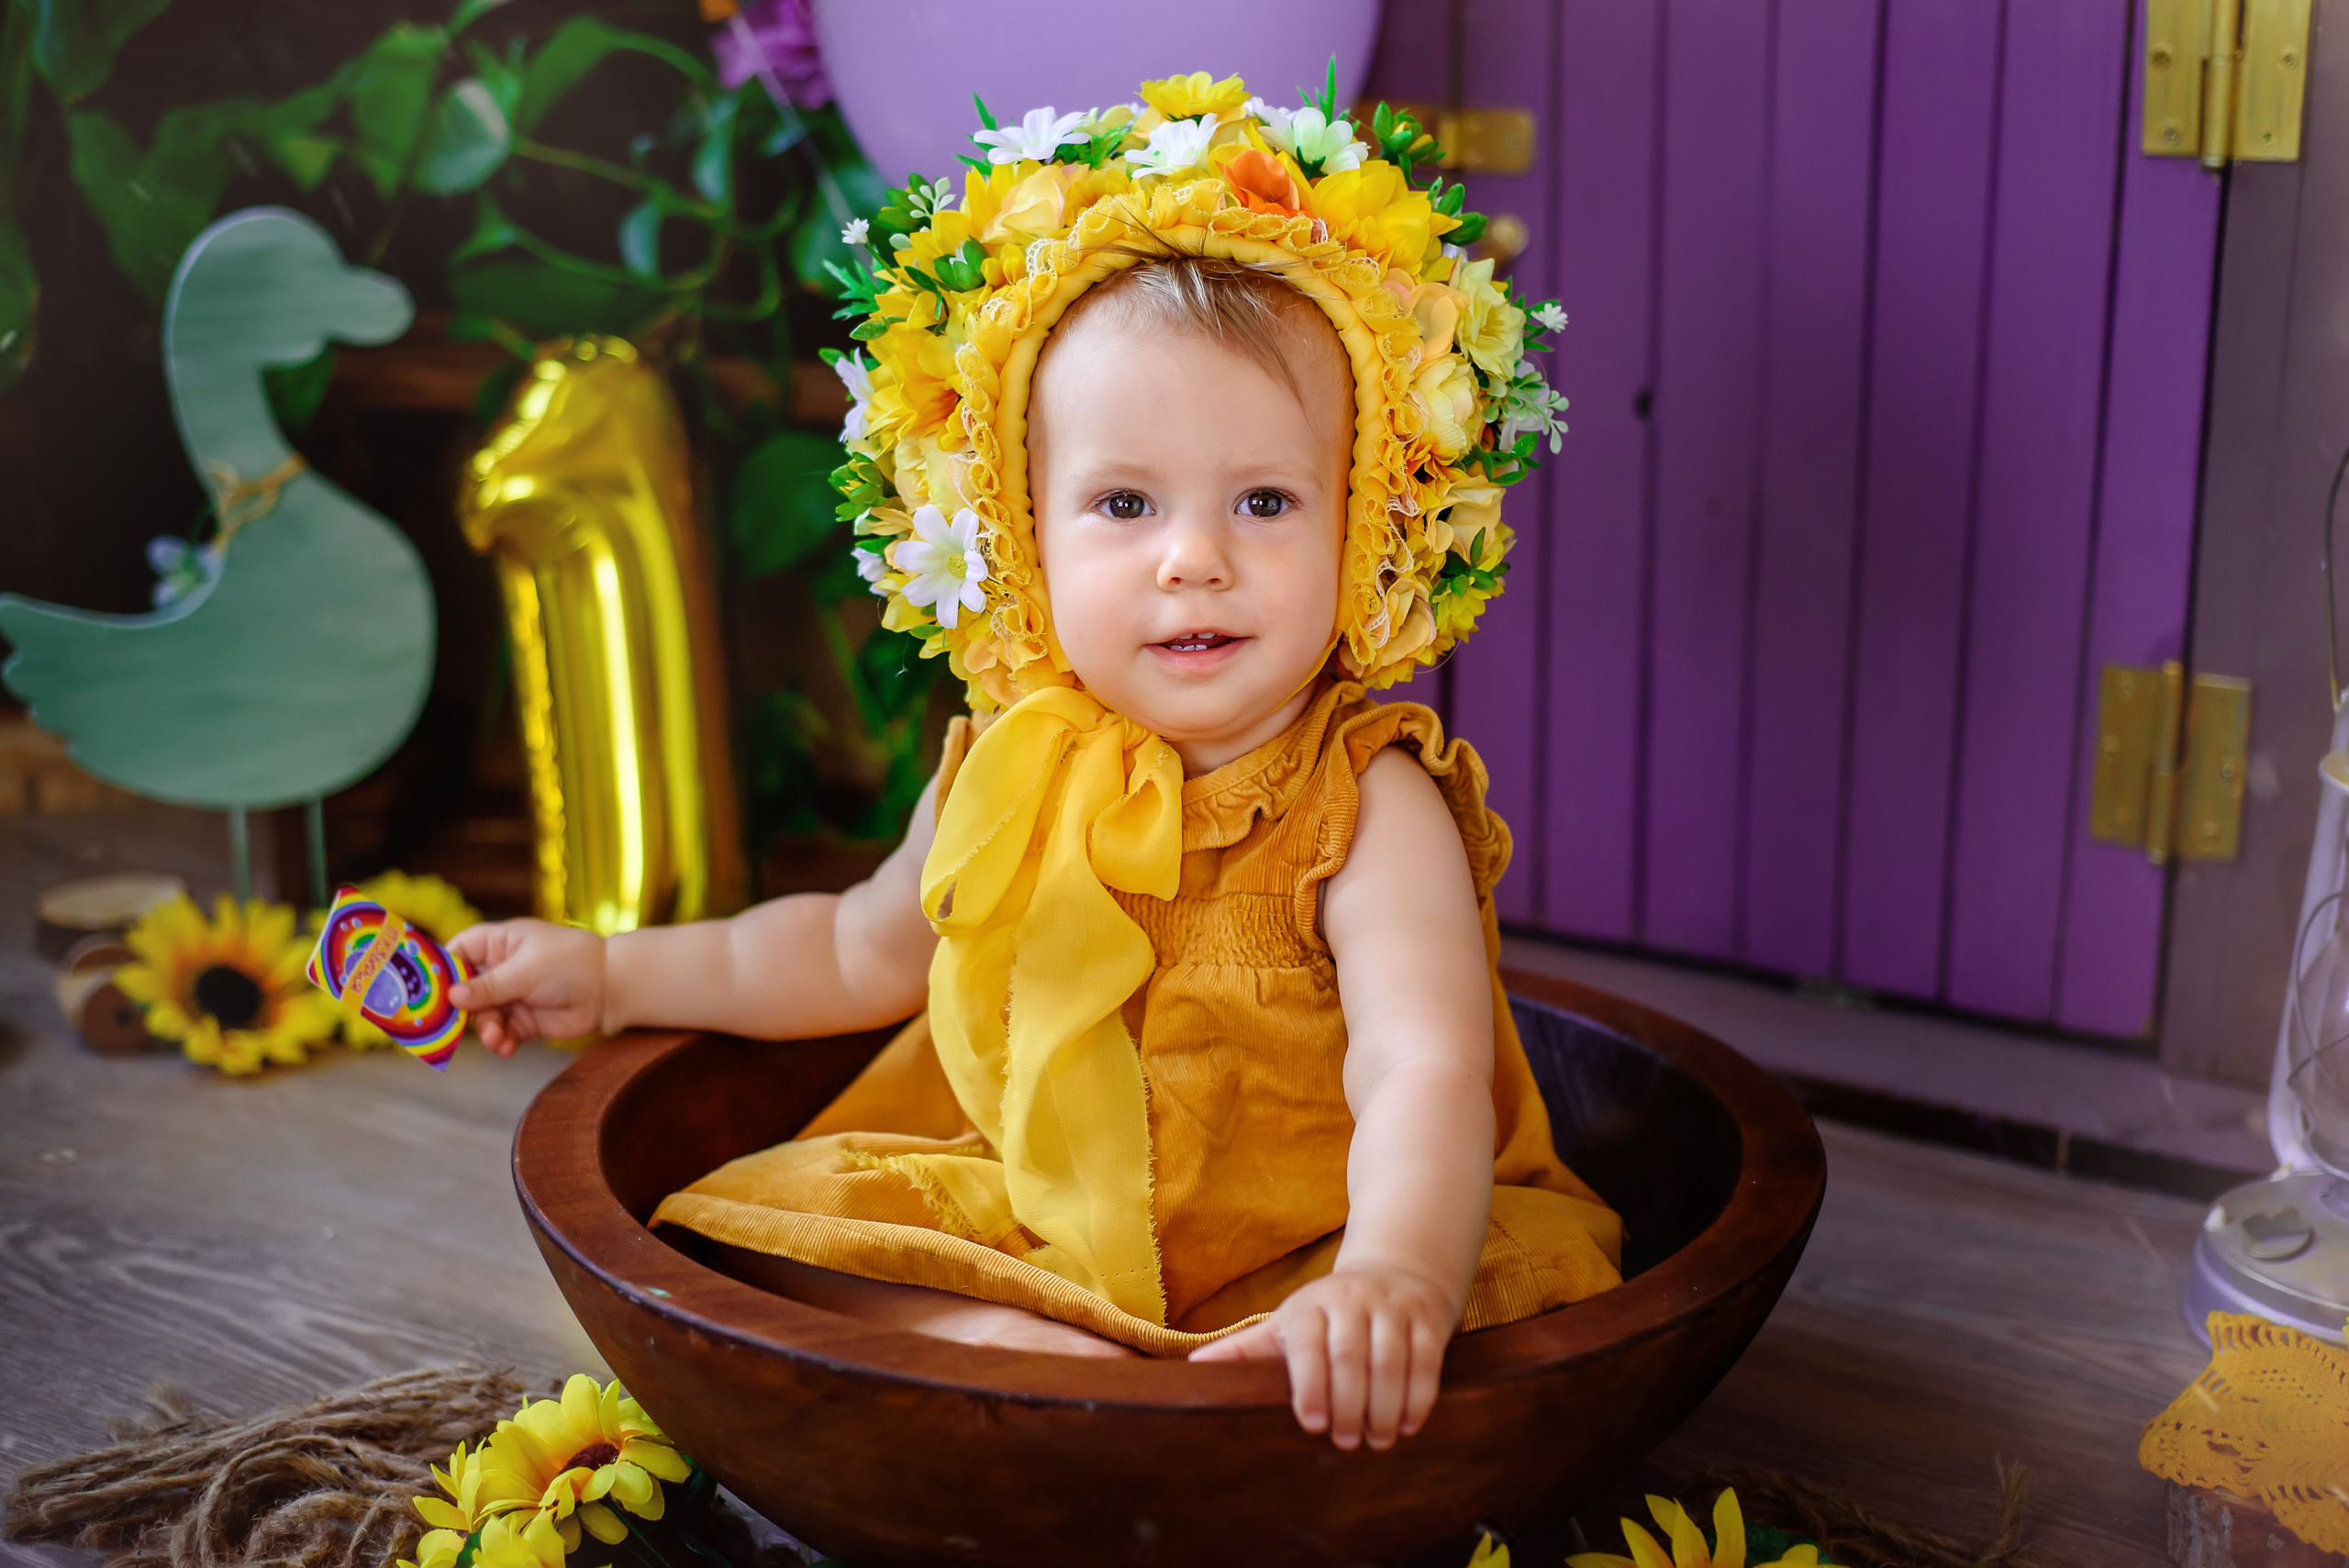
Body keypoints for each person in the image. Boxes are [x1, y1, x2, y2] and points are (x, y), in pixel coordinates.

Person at [448, 72, 1609, 1456]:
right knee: (759, 1240)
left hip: (1315, 1246)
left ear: (1362, 524)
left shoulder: (1368, 800)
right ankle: (1018, 1341)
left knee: (1468, 1314)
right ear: (1021, 533)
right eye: (1124, 503)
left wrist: (1396, 1277)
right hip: (1039, 1219)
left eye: (1265, 499)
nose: (1195, 557)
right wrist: (608, 973)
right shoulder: (1011, 766)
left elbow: (1424, 1067)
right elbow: (846, 950)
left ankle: (1182, 1371)